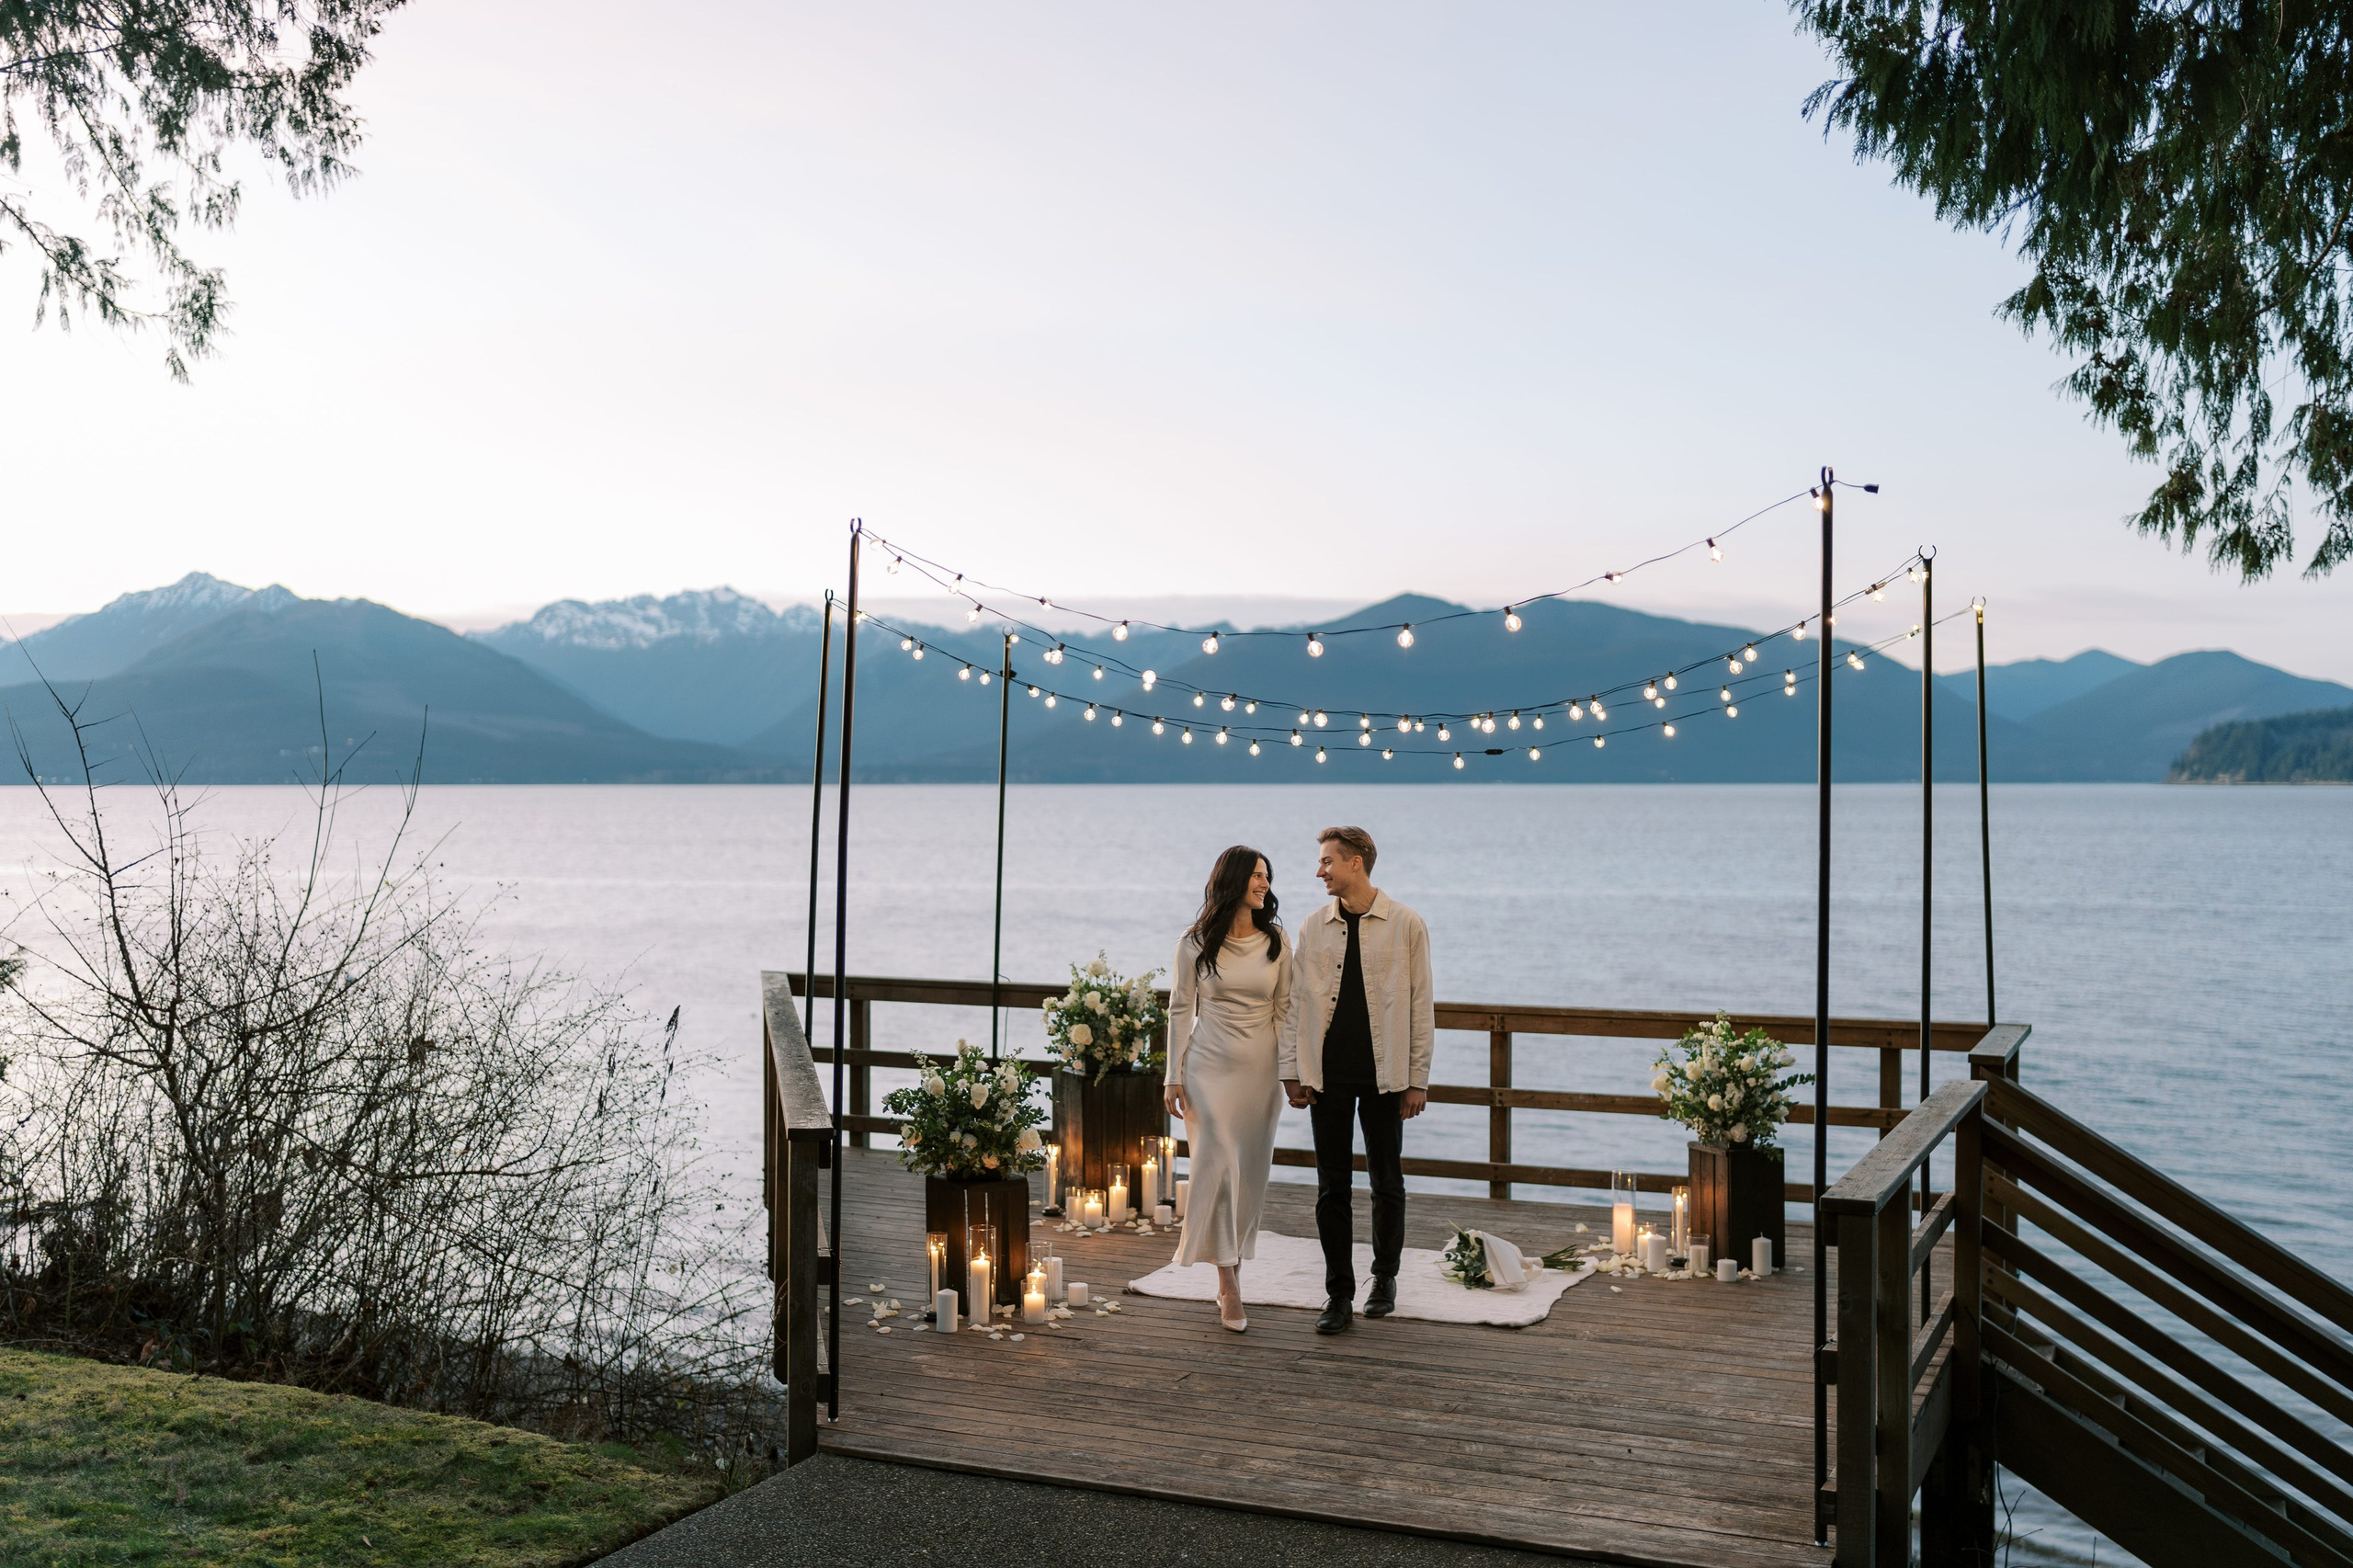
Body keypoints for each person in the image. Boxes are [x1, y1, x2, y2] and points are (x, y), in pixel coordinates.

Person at [1279, 825, 1433, 1335]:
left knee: (1387, 1182)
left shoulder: (1406, 923)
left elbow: (1420, 1006)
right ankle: (1338, 1294)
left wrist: (1417, 1079)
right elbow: (1295, 1004)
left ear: (1355, 863)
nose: (1319, 871)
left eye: (1327, 861)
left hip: (1387, 1077)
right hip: (1327, 1077)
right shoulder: (1312, 926)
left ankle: (1384, 1278)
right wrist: (1291, 1071)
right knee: (1332, 1189)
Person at [1165, 845, 1290, 1333]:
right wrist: (1173, 1075)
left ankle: (1231, 1259)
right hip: (1207, 1069)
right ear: (1234, 880)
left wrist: (1291, 1071)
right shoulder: (1194, 942)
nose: (1264, 884)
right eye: (1257, 875)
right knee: (1215, 1167)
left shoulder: (1276, 940)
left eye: (1267, 876)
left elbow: (1286, 1009)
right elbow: (1181, 1009)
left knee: (1249, 1176)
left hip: (1260, 1073)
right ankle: (1229, 1283)